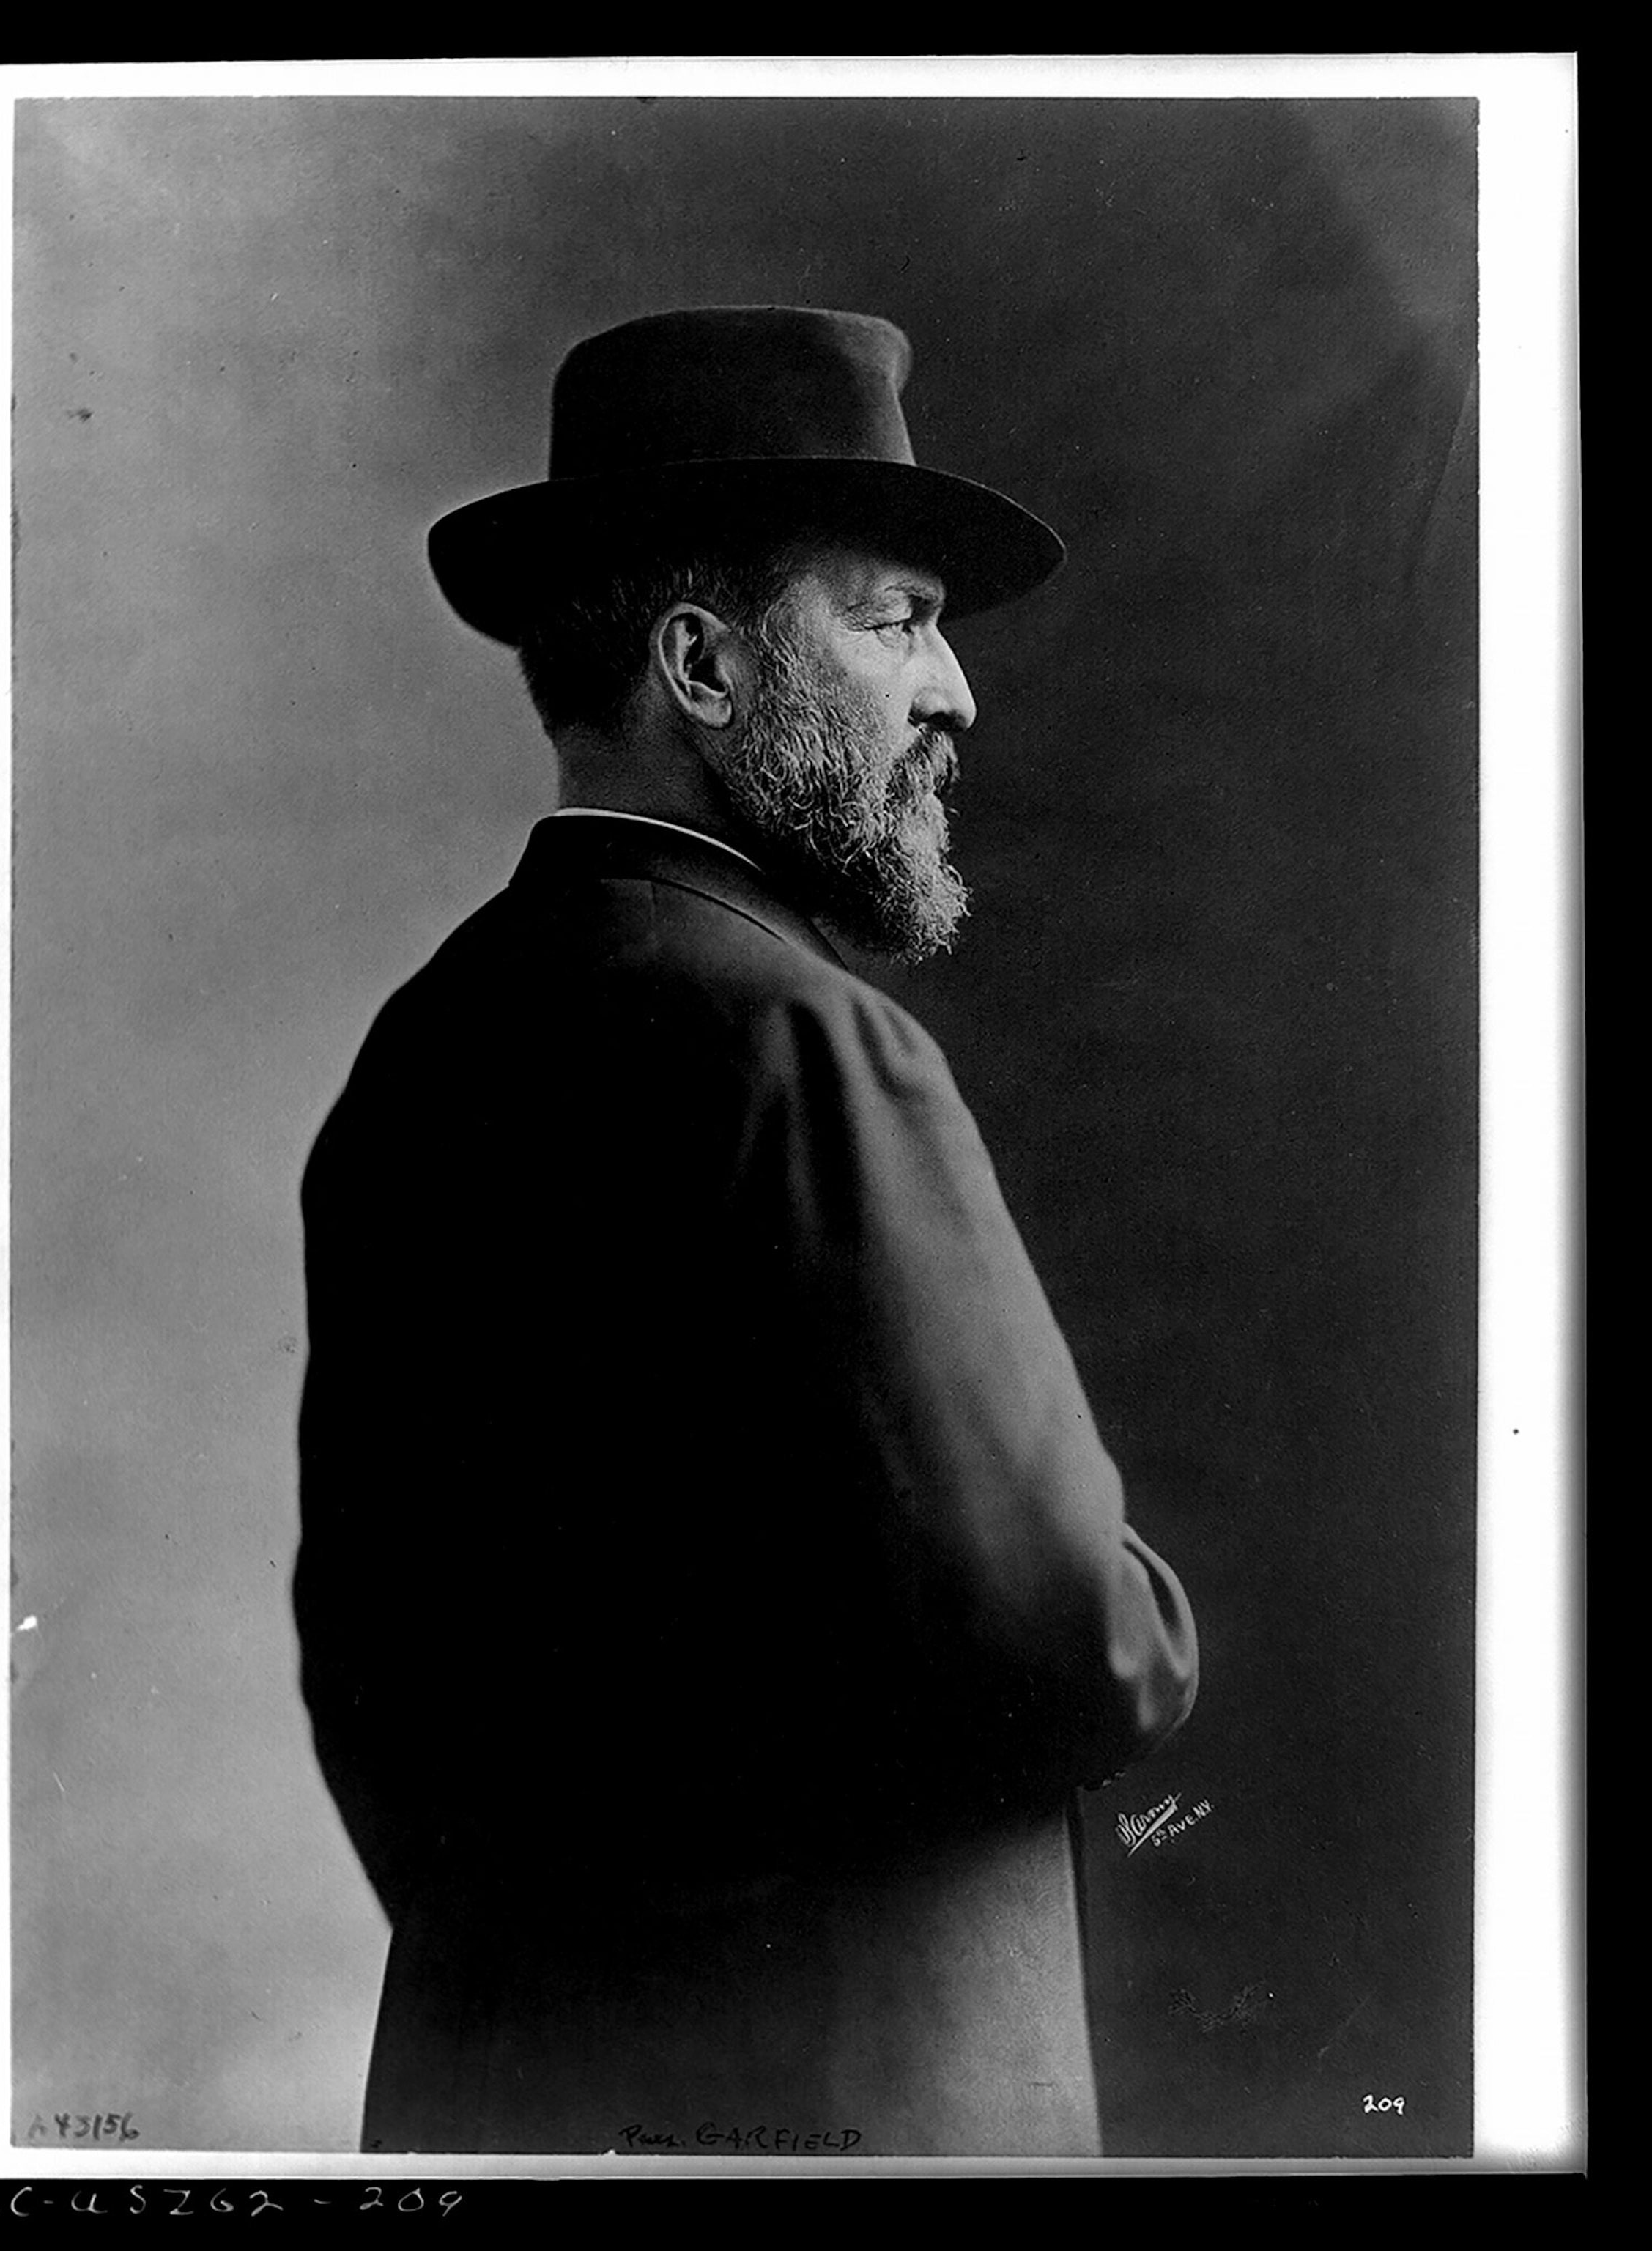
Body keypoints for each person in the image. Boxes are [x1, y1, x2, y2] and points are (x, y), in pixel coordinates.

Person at [293, 306, 1199, 2159]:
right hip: (846, 2115)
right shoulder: (791, 1038)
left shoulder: (429, 1042)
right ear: (701, 666)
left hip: (513, 2117)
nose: (954, 694)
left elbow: (373, 1686)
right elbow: (1066, 1639)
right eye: (895, 620)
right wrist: (1147, 1606)